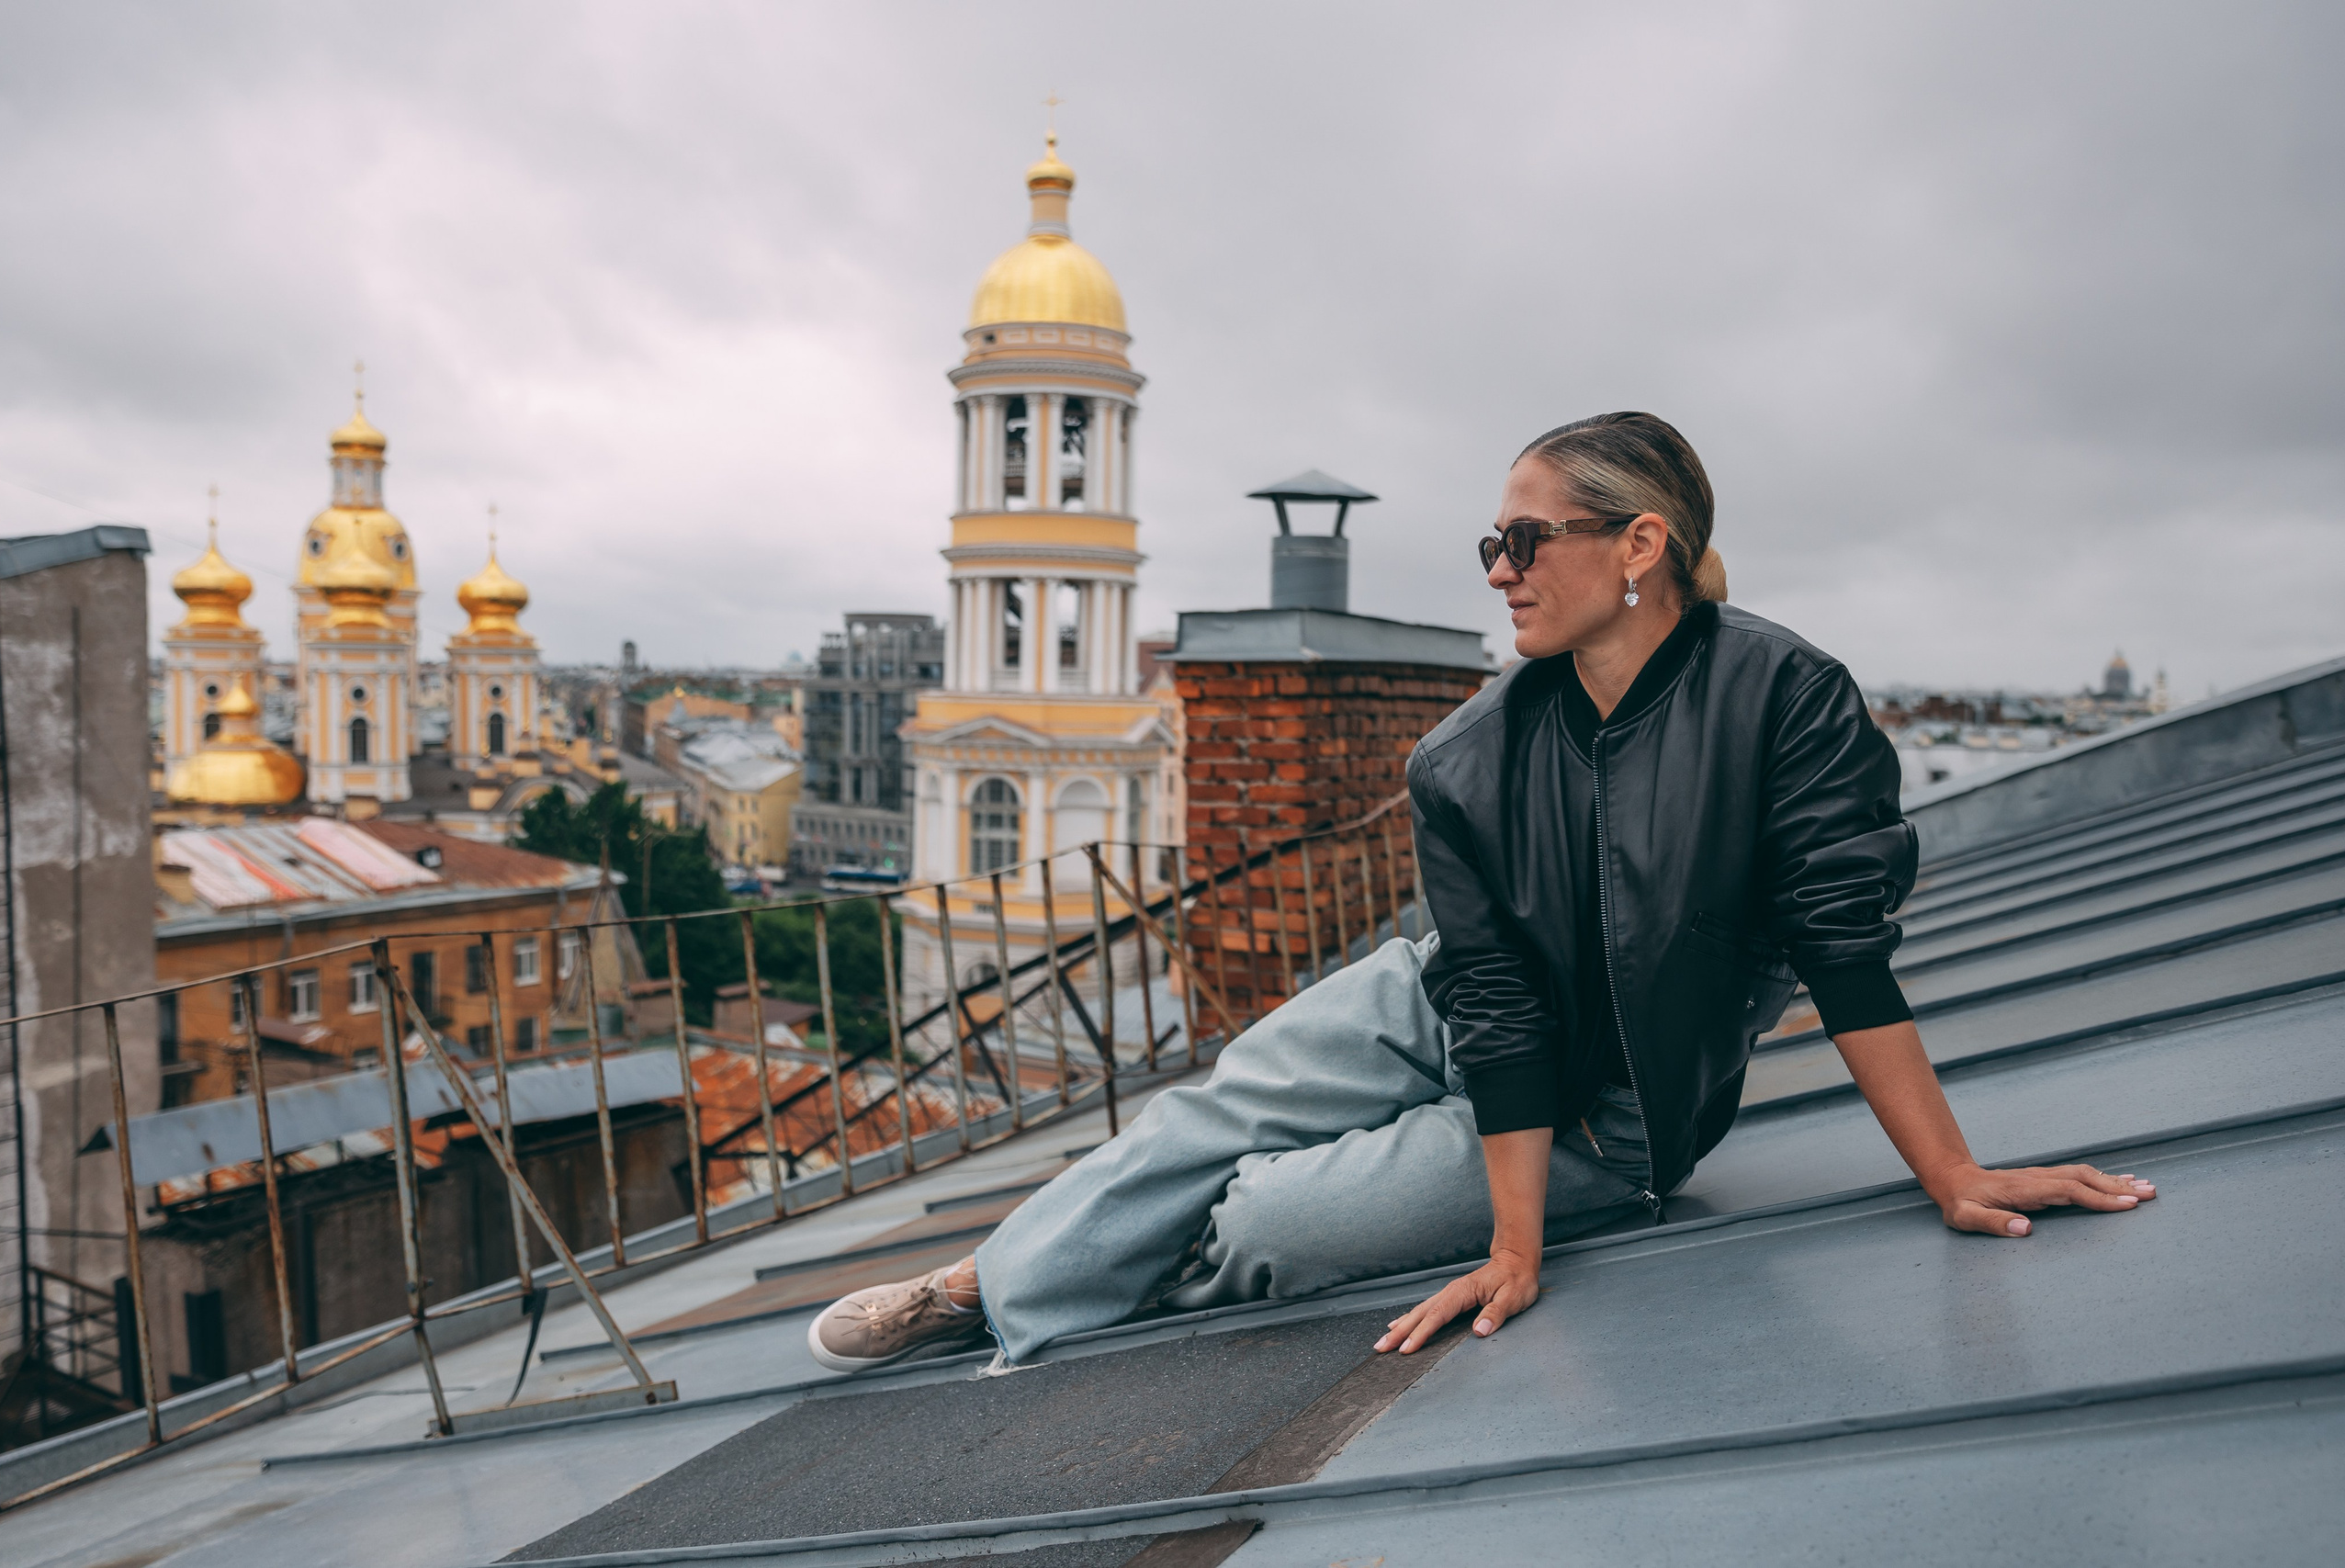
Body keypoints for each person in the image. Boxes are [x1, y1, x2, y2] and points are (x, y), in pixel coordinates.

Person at [808, 412, 2156, 1374]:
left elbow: (1844, 951)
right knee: (1210, 1114)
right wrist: (1516, 1249)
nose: (1500, 570)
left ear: (1639, 546)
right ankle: (990, 1283)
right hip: (1451, 1005)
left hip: (1611, 1112)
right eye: (1490, 546)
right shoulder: (1470, 750)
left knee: (1272, 1223)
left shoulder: (1788, 703)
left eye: (1524, 540)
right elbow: (1496, 994)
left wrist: (1951, 1173)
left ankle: (1069, 1272)